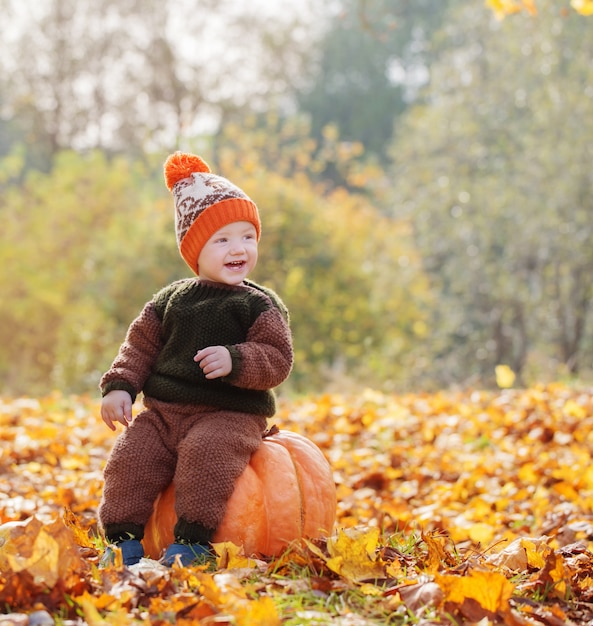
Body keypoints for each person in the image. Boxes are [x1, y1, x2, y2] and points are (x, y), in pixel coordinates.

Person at [98, 152, 294, 567]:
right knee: (131, 456)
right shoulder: (171, 301)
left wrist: (237, 359)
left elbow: (278, 357)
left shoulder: (258, 305)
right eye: (221, 240)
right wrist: (120, 386)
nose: (238, 248)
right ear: (194, 249)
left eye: (247, 237)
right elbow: (140, 347)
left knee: (208, 453)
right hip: (165, 413)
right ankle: (122, 540)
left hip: (230, 413)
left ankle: (193, 543)